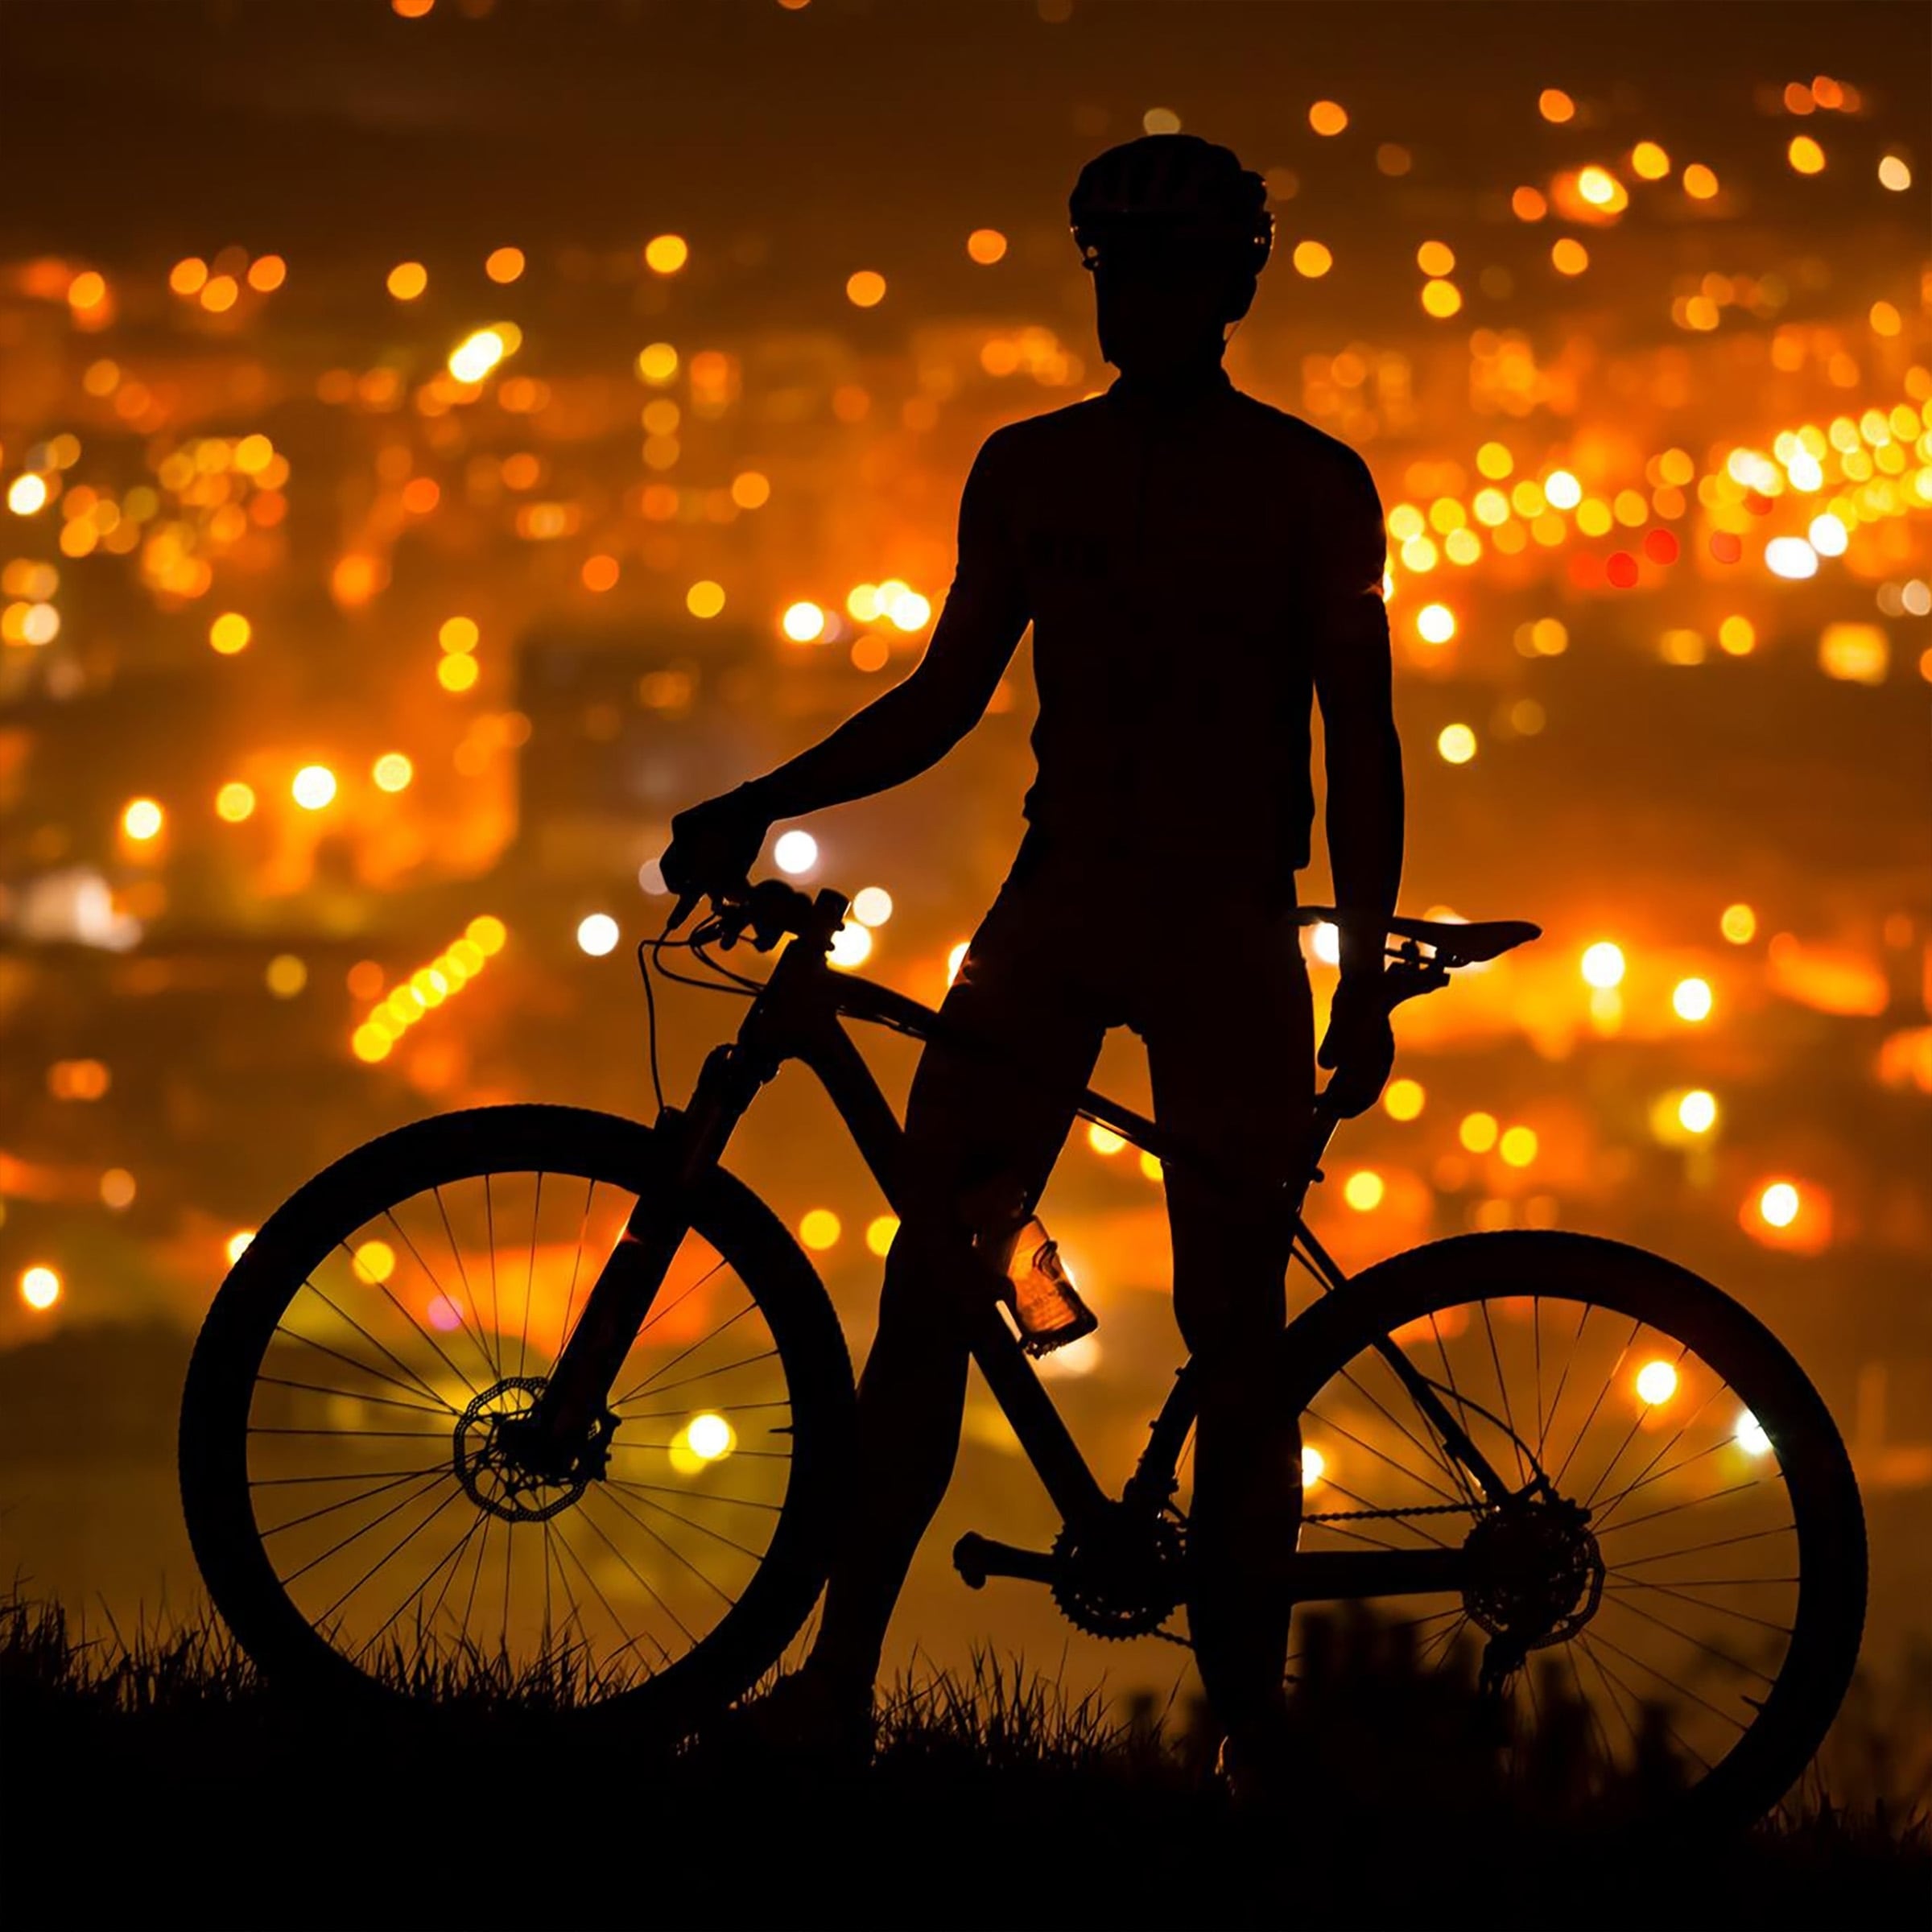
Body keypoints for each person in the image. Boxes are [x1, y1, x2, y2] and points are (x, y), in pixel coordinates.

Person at [660, 134, 1404, 1785]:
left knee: (1234, 1334)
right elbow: (944, 702)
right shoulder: (1036, 471)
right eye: (1112, 268)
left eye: (1163, 268)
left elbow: (1362, 740)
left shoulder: (1303, 485)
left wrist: (1353, 971)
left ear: (1233, 288)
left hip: (1213, 920)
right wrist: (761, 801)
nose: (1134, 297)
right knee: (930, 1294)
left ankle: (1248, 1736)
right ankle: (840, 1692)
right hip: (1075, 903)